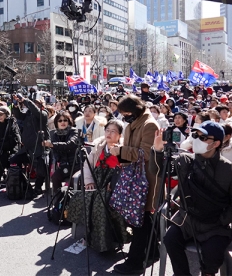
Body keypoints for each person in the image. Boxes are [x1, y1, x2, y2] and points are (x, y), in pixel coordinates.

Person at [152, 121, 232, 276]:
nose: (196, 139)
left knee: (213, 252)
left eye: (203, 137)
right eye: (195, 135)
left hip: (215, 225)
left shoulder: (230, 170)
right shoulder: (185, 161)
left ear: (216, 143)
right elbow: (159, 172)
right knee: (170, 239)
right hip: (187, 220)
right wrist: (157, 150)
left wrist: (221, 219)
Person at [111, 95, 160, 275]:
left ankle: (135, 262)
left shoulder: (149, 124)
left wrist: (121, 151)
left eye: (126, 113)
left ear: (136, 109)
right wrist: (120, 154)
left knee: (141, 220)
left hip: (145, 178)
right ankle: (153, 251)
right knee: (145, 219)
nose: (124, 117)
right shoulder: (135, 121)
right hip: (133, 175)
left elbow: (146, 153)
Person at [67, 119, 131, 252]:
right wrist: (89, 181)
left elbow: (126, 172)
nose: (109, 133)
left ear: (120, 135)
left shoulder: (123, 150)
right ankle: (89, 234)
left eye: (114, 131)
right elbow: (87, 165)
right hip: (96, 183)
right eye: (107, 130)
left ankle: (106, 242)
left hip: (114, 188)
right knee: (81, 197)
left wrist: (114, 185)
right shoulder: (99, 147)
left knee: (101, 203)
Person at [11, 97, 49, 196]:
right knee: (14, 161)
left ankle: (37, 187)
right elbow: (19, 115)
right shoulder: (28, 115)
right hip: (27, 148)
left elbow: (36, 112)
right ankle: (25, 184)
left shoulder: (44, 114)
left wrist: (26, 100)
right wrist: (15, 105)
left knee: (40, 168)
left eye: (36, 103)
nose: (33, 105)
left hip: (39, 148)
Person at [43, 111, 79, 193]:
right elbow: (55, 152)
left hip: (76, 164)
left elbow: (69, 144)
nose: (63, 122)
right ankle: (58, 201)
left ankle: (71, 203)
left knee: (73, 180)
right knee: (55, 178)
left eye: (65, 120)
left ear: (69, 121)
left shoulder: (74, 131)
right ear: (56, 123)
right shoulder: (54, 135)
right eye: (60, 121)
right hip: (64, 164)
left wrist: (52, 145)